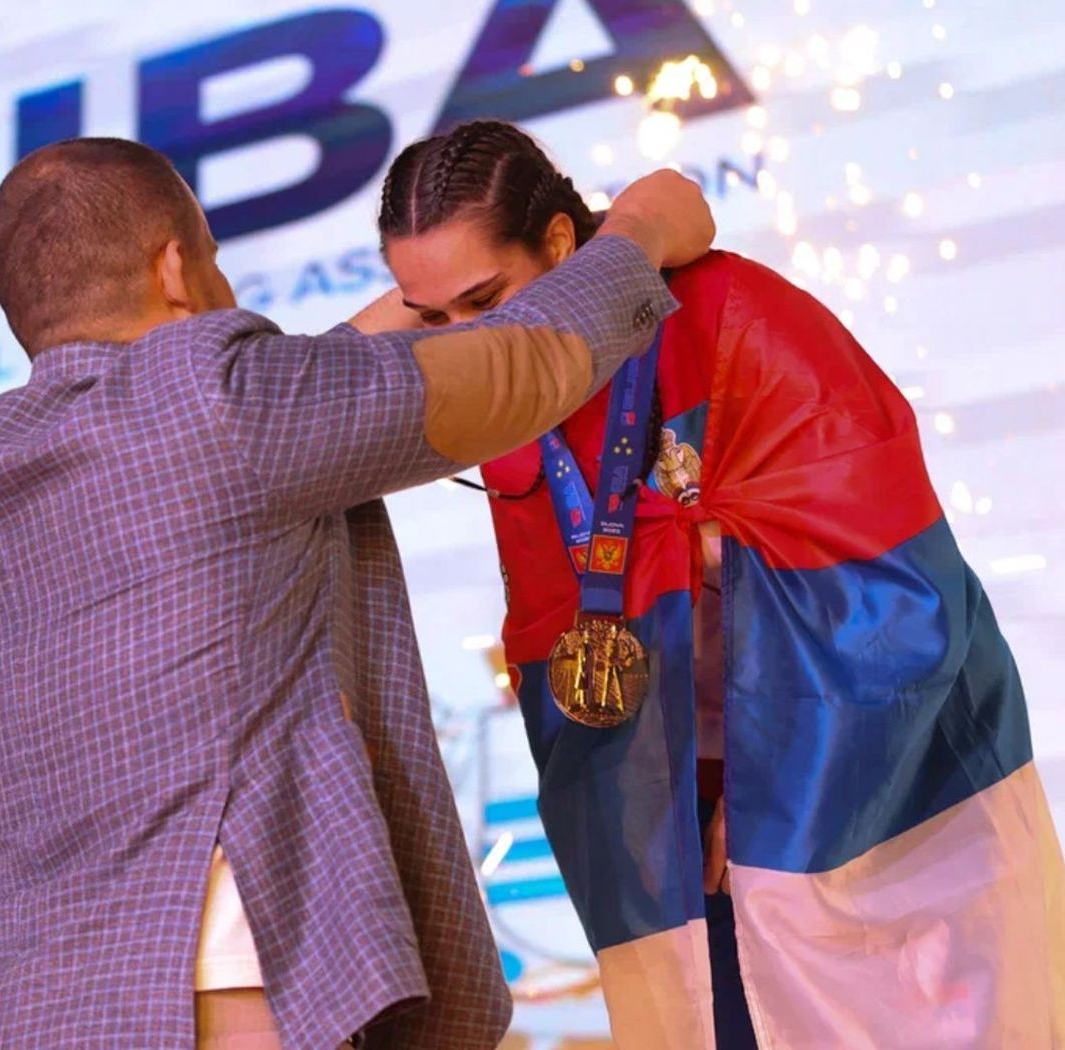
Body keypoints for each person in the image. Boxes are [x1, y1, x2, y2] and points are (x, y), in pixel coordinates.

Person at [0, 136, 713, 1050]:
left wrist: (428, 300)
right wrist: (640, 231)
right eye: (212, 257)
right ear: (174, 269)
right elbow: (519, 364)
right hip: (215, 988)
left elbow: (301, 399)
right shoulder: (221, 401)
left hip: (21, 1005)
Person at [369, 119, 1065, 1049]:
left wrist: (778, 786)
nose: (465, 344)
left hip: (852, 778)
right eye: (433, 320)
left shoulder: (735, 316)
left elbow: (893, 573)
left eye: (485, 301)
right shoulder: (514, 401)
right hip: (665, 804)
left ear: (564, 244)